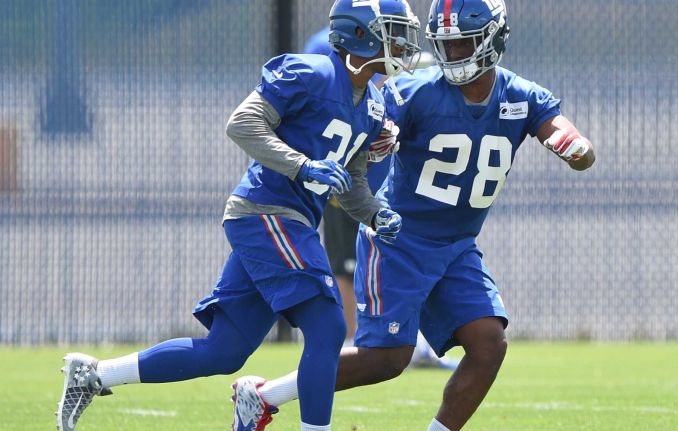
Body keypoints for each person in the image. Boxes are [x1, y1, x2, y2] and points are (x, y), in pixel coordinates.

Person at [54, 1, 421, 431]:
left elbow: (352, 183)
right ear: (361, 34)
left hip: (289, 220)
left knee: (224, 352)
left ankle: (94, 375)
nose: (402, 44)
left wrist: (376, 215)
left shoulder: (374, 105)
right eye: (393, 32)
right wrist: (302, 165)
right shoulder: (311, 72)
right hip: (266, 211)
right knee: (326, 325)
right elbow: (243, 122)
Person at [233, 0, 596, 430]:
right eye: (448, 45)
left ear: (494, 38)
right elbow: (369, 123)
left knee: (488, 344)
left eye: (465, 44)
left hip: (458, 246)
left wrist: (574, 146)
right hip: (400, 240)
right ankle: (264, 395)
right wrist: (375, 141)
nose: (455, 55)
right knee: (386, 359)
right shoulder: (417, 90)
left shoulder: (521, 95)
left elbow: (566, 135)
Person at [306, 25, 458, 368]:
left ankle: (412, 338)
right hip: (344, 172)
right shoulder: (321, 45)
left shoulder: (396, 38)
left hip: (388, 175)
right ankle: (351, 336)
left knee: (402, 255)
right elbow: (329, 99)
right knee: (345, 262)